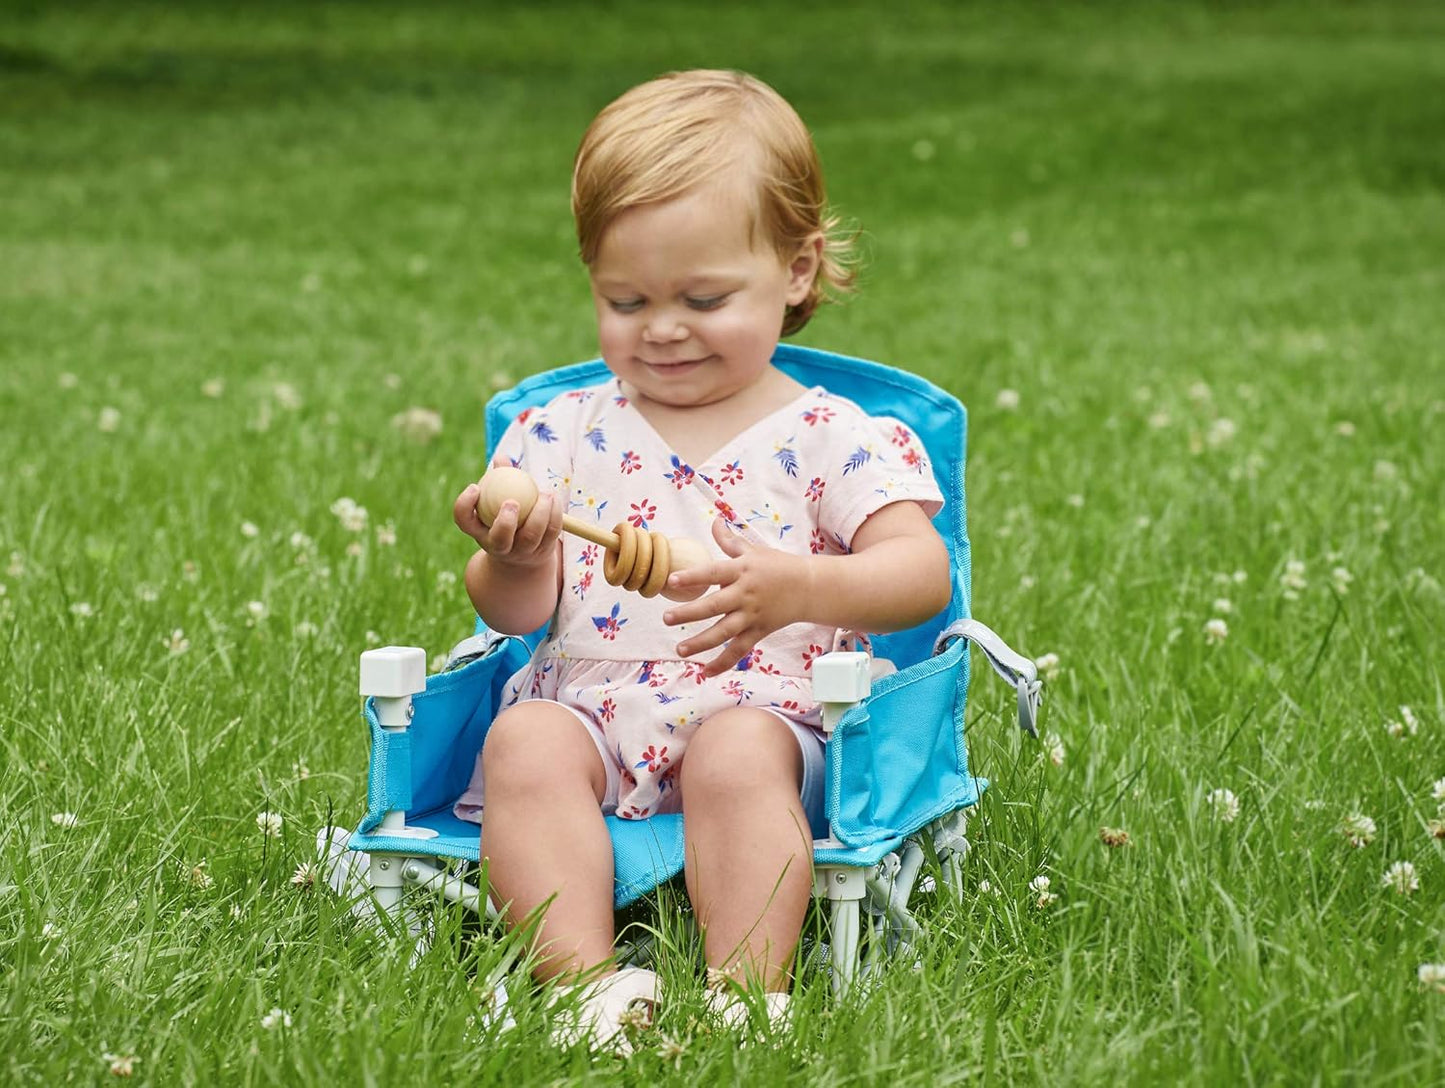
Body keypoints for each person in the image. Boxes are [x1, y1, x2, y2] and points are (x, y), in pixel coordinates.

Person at [451, 69, 951, 1048]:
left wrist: (798, 585)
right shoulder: (557, 429)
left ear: (797, 271)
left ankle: (743, 991)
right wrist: (511, 555)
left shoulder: (830, 436)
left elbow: (917, 574)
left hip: (765, 717)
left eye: (703, 295)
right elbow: (512, 616)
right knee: (523, 744)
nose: (663, 326)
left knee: (731, 753)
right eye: (624, 297)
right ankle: (582, 986)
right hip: (591, 711)